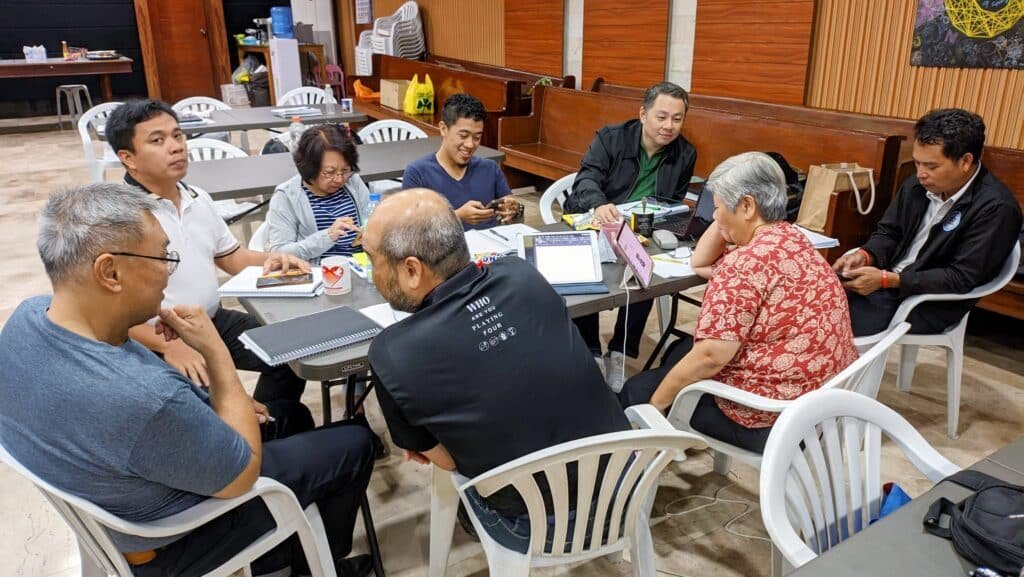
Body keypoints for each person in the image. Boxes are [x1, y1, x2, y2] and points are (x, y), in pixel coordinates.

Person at [0, 184, 377, 577]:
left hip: (120, 495)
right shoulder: (145, 399)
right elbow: (242, 474)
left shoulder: (29, 317)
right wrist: (215, 354)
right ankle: (307, 567)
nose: (169, 267)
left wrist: (209, 401)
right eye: (162, 255)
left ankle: (297, 544)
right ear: (110, 272)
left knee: (289, 415)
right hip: (176, 536)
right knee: (355, 442)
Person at [363, 188, 630, 553]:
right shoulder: (523, 274)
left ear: (412, 269)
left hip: (529, 525)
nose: (370, 271)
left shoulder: (391, 354)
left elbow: (443, 459)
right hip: (627, 484)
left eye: (371, 258)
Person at [619, 152, 858, 454]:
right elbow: (702, 262)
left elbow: (711, 357)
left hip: (770, 420)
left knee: (636, 391)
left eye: (718, 208)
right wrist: (726, 220)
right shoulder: (794, 240)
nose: (715, 216)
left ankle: (633, 471)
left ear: (747, 206)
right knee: (678, 351)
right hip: (817, 406)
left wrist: (655, 407)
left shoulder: (744, 264)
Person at [106, 99, 309, 403]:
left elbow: (232, 258)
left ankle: (269, 430)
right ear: (128, 158)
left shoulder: (197, 197)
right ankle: (249, 435)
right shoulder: (118, 217)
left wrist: (273, 259)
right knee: (207, 410)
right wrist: (167, 347)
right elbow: (106, 312)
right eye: (157, 140)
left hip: (210, 321)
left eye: (177, 135)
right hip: (155, 338)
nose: (176, 147)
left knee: (291, 354)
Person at [833, 108, 1022, 337]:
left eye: (931, 166)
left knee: (838, 324)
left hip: (931, 301)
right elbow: (889, 233)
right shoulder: (917, 185)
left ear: (965, 161)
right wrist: (866, 255)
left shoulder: (996, 208)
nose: (921, 174)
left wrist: (890, 280)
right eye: (917, 163)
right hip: (889, 280)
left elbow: (960, 278)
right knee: (814, 295)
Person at [563, 82, 698, 391]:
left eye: (677, 119)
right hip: (595, 220)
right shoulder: (611, 138)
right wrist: (599, 203)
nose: (669, 126)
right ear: (643, 114)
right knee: (587, 275)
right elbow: (586, 179)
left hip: (642, 230)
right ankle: (592, 352)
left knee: (645, 275)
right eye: (662, 116)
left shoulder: (685, 153)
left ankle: (621, 353)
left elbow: (674, 202)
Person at [402, 93, 523, 230]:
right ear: (443, 129)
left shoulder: (490, 168)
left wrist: (515, 210)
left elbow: (516, 225)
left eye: (477, 137)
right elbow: (410, 229)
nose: (470, 144)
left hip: (492, 249)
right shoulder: (417, 173)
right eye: (463, 136)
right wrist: (457, 216)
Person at [266, 124, 370, 261]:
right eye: (330, 173)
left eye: (345, 170)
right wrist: (327, 236)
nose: (339, 179)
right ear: (309, 167)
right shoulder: (286, 196)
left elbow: (372, 218)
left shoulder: (352, 181)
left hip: (361, 267)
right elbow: (279, 253)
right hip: (319, 273)